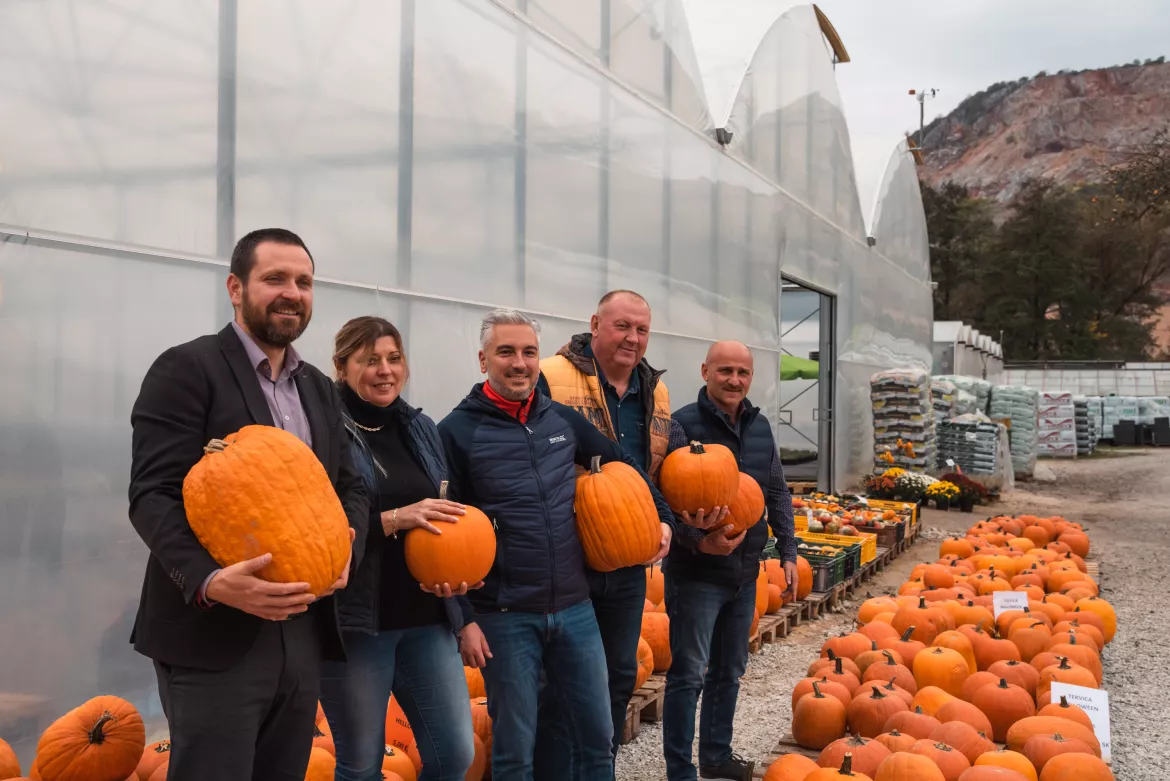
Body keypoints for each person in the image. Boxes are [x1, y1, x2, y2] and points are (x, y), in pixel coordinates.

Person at [127, 228, 368, 780]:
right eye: (274, 279)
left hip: (303, 626)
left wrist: (345, 545)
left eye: (304, 282)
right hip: (216, 634)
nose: (292, 293)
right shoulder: (186, 369)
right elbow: (151, 494)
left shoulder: (318, 389)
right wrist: (211, 581)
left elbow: (349, 486)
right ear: (236, 288)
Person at [437, 308, 675, 781]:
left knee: (596, 736)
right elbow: (444, 538)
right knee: (514, 749)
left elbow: (622, 463)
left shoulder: (560, 421)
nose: (520, 363)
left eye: (529, 352)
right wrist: (462, 620)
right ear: (483, 361)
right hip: (505, 615)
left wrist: (663, 518)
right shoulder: (456, 432)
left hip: (574, 608)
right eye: (506, 352)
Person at [320, 316, 476, 781]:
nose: (385, 370)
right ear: (341, 366)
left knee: (455, 754)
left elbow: (448, 516)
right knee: (361, 763)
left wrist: (463, 609)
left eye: (394, 358)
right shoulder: (325, 433)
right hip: (359, 625)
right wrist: (392, 519)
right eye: (370, 361)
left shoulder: (421, 428)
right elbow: (319, 533)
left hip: (427, 619)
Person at [533, 290, 677, 777]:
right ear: (595, 324)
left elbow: (648, 471)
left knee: (618, 675)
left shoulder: (654, 390)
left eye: (641, 330)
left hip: (628, 556)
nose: (632, 338)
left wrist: (667, 520)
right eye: (622, 326)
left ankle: (597, 768)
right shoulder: (551, 376)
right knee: (560, 682)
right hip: (569, 555)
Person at [661, 341, 798, 781]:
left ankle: (716, 757)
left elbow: (775, 490)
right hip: (697, 575)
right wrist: (698, 542)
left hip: (745, 572)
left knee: (729, 670)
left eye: (742, 372)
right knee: (688, 675)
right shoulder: (681, 426)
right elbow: (662, 503)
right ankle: (680, 769)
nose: (734, 379)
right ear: (705, 371)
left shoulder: (758, 427)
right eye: (725, 371)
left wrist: (790, 551)